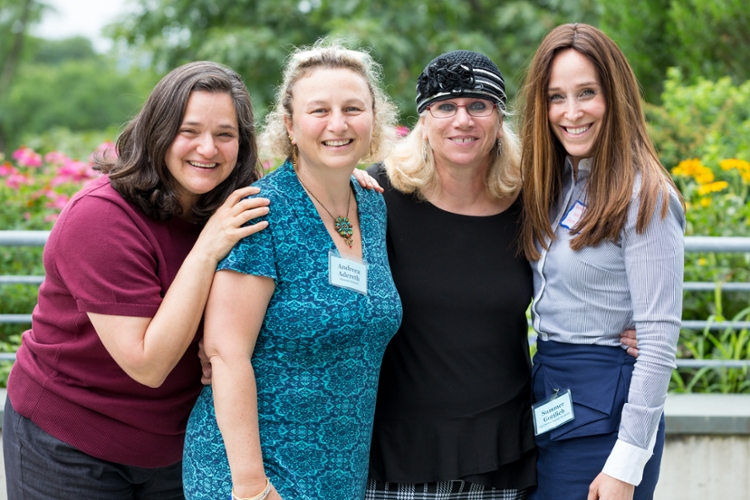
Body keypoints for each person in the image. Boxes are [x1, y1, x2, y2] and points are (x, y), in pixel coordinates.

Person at [3, 61, 271, 499]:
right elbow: (148, 363)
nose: (208, 149)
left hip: (173, 444)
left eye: (225, 134)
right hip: (70, 442)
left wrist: (346, 184)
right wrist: (207, 248)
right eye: (189, 131)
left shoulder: (230, 207)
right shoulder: (101, 218)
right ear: (158, 132)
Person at [181, 41, 403, 500]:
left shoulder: (372, 205)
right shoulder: (260, 212)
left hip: (339, 471)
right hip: (256, 473)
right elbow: (225, 353)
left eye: (353, 108)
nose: (337, 124)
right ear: (289, 125)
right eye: (319, 110)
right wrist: (251, 485)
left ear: (373, 119)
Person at [518, 23, 685, 500]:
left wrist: (627, 463)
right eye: (556, 97)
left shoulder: (645, 195)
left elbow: (657, 342)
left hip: (607, 421)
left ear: (615, 96)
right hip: (551, 396)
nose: (571, 112)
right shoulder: (556, 182)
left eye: (586, 93)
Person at [363, 50, 537, 500]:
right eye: (446, 106)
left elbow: (584, 272)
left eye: (478, 105)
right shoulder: (375, 196)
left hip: (504, 454)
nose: (463, 120)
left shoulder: (529, 202)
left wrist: (625, 325)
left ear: (499, 118)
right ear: (424, 119)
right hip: (399, 457)